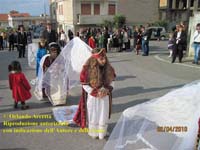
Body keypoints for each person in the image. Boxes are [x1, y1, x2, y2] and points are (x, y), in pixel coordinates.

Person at [73, 48, 116, 140]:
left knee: (103, 114)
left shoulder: (109, 68)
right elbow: (84, 84)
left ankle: (102, 133)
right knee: (93, 114)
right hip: (93, 97)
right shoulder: (87, 69)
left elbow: (113, 82)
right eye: (101, 59)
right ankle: (94, 132)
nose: (104, 61)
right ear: (95, 59)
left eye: (105, 58)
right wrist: (95, 92)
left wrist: (107, 90)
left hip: (105, 97)